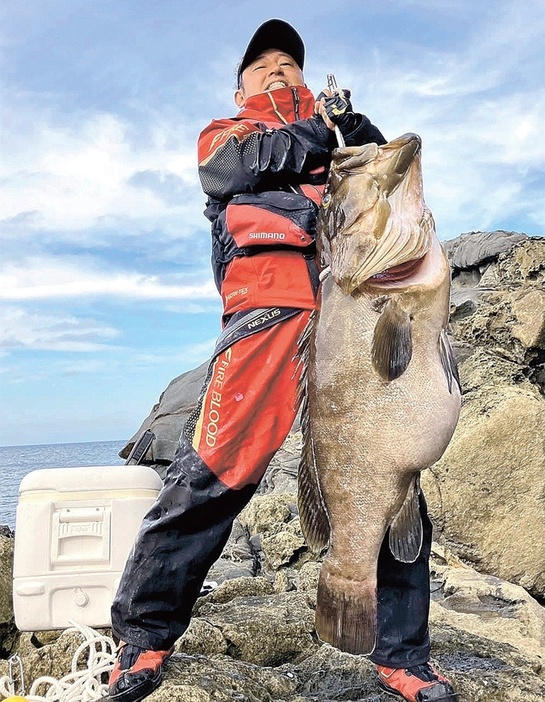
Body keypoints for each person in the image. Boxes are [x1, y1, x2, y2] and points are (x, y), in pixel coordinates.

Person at [108, 19, 458, 702]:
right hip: (268, 319)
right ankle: (144, 637)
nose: (277, 70)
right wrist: (312, 132)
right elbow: (227, 170)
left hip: (351, 319)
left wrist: (352, 128)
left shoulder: (335, 149)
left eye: (289, 63)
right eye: (262, 64)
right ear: (240, 85)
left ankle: (402, 656)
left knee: (387, 465)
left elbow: (381, 176)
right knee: (215, 468)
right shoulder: (227, 136)